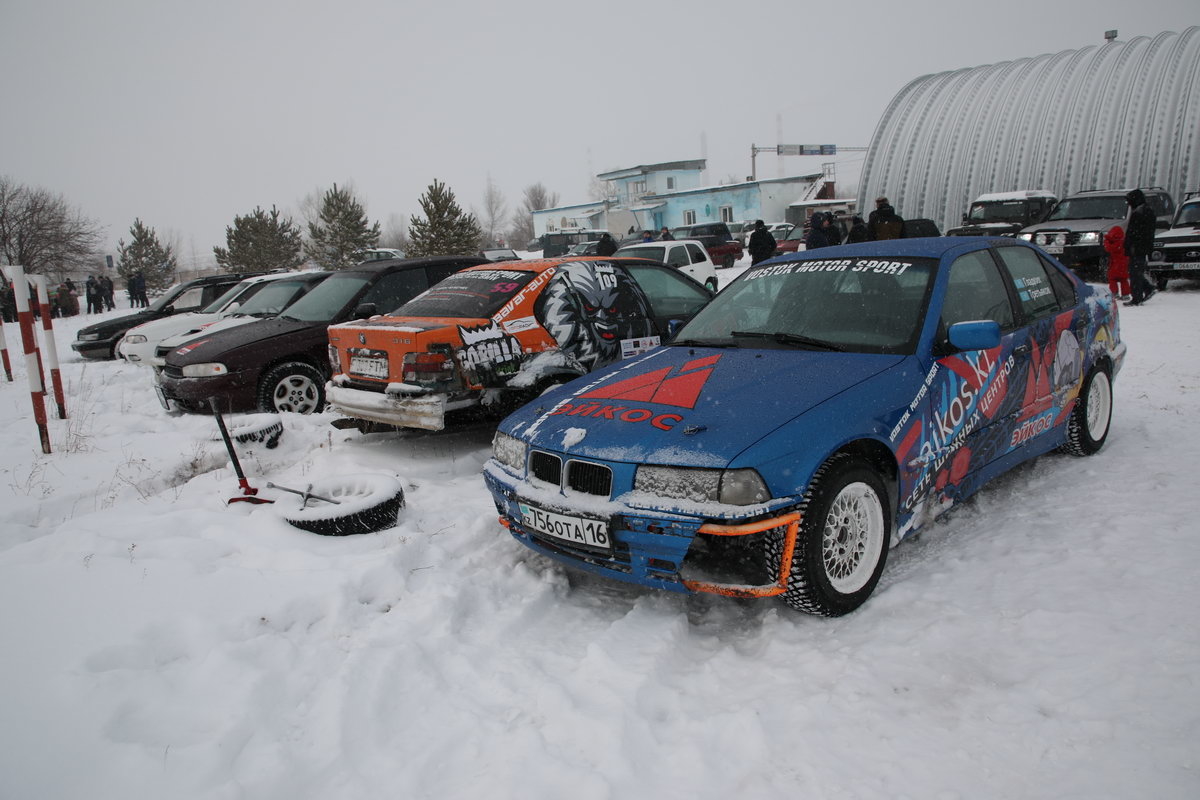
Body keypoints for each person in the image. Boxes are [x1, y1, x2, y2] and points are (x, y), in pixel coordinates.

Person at [1123, 189, 1157, 306]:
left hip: (1137, 248)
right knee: (1136, 271)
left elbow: (1135, 233)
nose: (1128, 204)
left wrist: (1131, 245)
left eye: (1129, 201)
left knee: (1135, 272)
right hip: (1140, 247)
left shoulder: (1140, 212)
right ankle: (1147, 289)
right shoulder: (1145, 210)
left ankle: (1137, 297)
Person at [1102, 225, 1130, 301]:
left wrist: (1106, 241)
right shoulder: (1123, 242)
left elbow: (1108, 248)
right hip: (1124, 264)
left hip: (1115, 265)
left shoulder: (1115, 244)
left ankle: (1114, 293)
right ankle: (1126, 294)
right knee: (1124, 280)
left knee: (1112, 279)